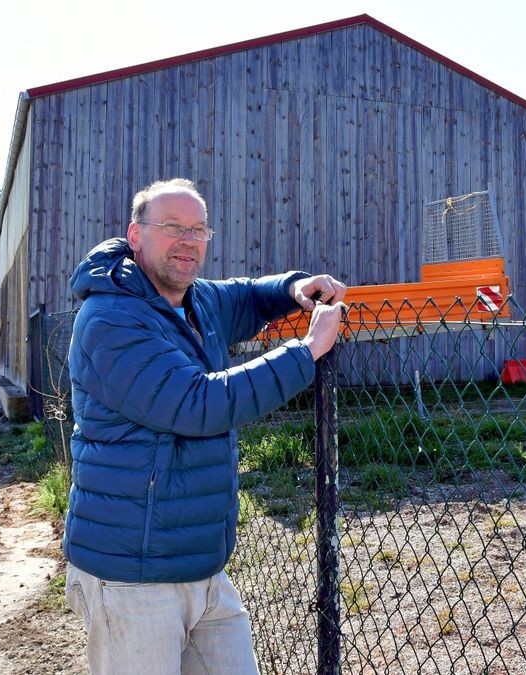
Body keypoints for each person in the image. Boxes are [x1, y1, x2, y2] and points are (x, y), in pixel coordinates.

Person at [62, 178, 347, 674]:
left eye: (199, 229)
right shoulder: (109, 319)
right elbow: (196, 404)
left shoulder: (193, 299)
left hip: (202, 567)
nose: (188, 241)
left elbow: (247, 297)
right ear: (136, 235)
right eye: (172, 227)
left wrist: (293, 288)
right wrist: (306, 352)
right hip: (133, 572)